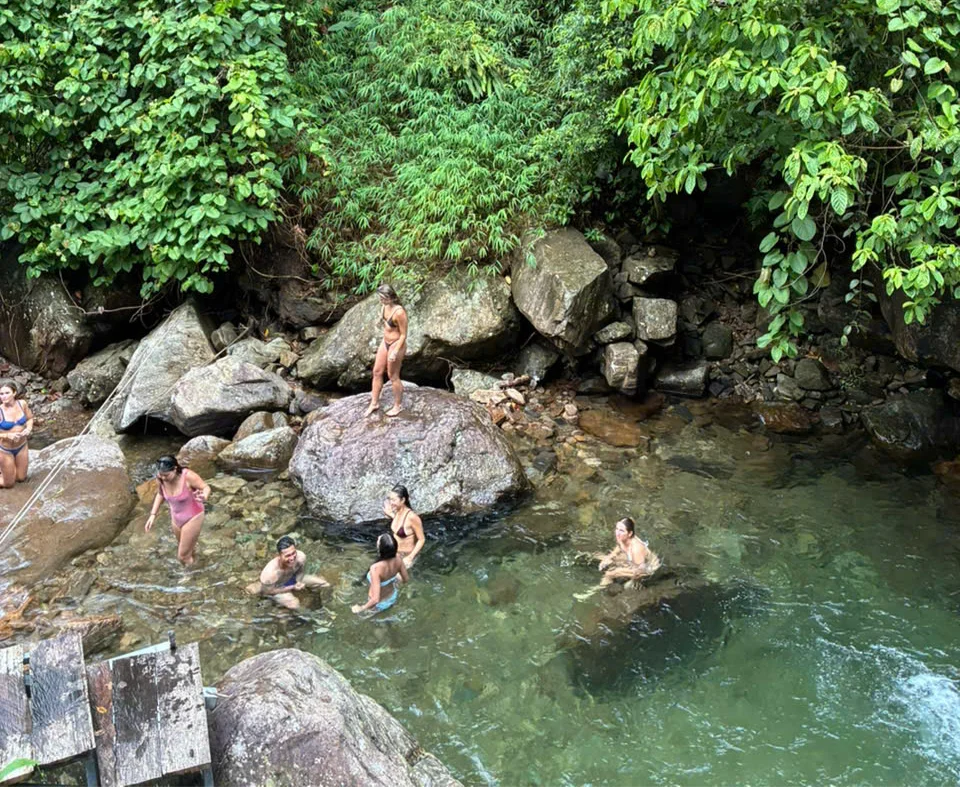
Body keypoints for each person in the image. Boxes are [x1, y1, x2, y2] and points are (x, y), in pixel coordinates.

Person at [144, 455, 210, 566]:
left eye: (166, 475)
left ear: (175, 469)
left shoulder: (188, 476)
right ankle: (197, 564)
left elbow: (206, 487)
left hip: (193, 516)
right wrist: (152, 514)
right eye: (161, 474)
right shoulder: (161, 477)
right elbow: (160, 494)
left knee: (182, 556)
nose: (163, 478)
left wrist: (204, 496)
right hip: (176, 519)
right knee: (186, 549)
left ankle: (191, 576)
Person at [249, 536, 330, 610]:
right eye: (287, 555)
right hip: (277, 586)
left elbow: (300, 572)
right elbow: (269, 592)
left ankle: (322, 605)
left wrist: (299, 582)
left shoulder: (300, 557)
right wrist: (293, 587)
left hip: (293, 579)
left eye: (293, 553)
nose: (292, 558)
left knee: (324, 584)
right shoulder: (271, 573)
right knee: (294, 604)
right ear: (280, 555)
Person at [365, 284, 408, 418]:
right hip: (385, 342)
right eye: (380, 298)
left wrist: (395, 351)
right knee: (377, 371)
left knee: (392, 375)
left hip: (396, 344)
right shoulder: (384, 306)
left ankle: (397, 406)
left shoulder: (399, 312)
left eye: (383, 298)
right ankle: (374, 403)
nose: (381, 300)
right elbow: (384, 321)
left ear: (390, 298)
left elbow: (403, 335)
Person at [352, 532, 409, 614]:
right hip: (393, 596)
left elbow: (375, 599)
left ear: (380, 548)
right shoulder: (398, 558)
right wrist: (394, 580)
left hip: (378, 604)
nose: (378, 537)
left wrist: (361, 608)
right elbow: (406, 579)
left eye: (379, 540)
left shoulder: (375, 568)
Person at [597, 517, 661, 586]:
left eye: (621, 530)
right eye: (617, 529)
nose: (617, 533)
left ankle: (600, 589)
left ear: (630, 533)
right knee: (601, 558)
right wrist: (609, 558)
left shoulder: (636, 549)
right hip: (632, 561)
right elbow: (619, 547)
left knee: (609, 574)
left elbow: (641, 572)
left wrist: (616, 572)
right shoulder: (622, 538)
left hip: (646, 568)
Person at [0, 380, 33, 489]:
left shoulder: (22, 404)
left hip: (22, 446)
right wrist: (7, 435)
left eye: (7, 393)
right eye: (1, 394)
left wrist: (28, 428)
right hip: (5, 450)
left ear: (14, 393)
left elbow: (29, 418)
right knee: (8, 484)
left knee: (21, 478)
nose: (4, 396)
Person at [384, 484, 425, 568]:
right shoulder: (397, 511)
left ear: (402, 500)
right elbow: (400, 523)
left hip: (407, 555)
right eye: (390, 499)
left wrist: (410, 557)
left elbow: (422, 539)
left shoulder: (412, 517)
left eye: (394, 500)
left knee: (396, 579)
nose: (391, 503)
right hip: (394, 553)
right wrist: (391, 514)